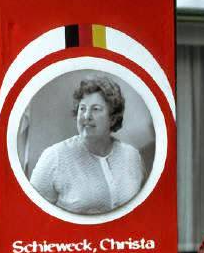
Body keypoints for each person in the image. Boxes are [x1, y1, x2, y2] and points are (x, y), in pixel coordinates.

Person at [30, 75, 145, 215]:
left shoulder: (131, 156)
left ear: (113, 118)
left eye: (96, 109)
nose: (86, 116)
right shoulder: (55, 156)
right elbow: (32, 214)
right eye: (82, 108)